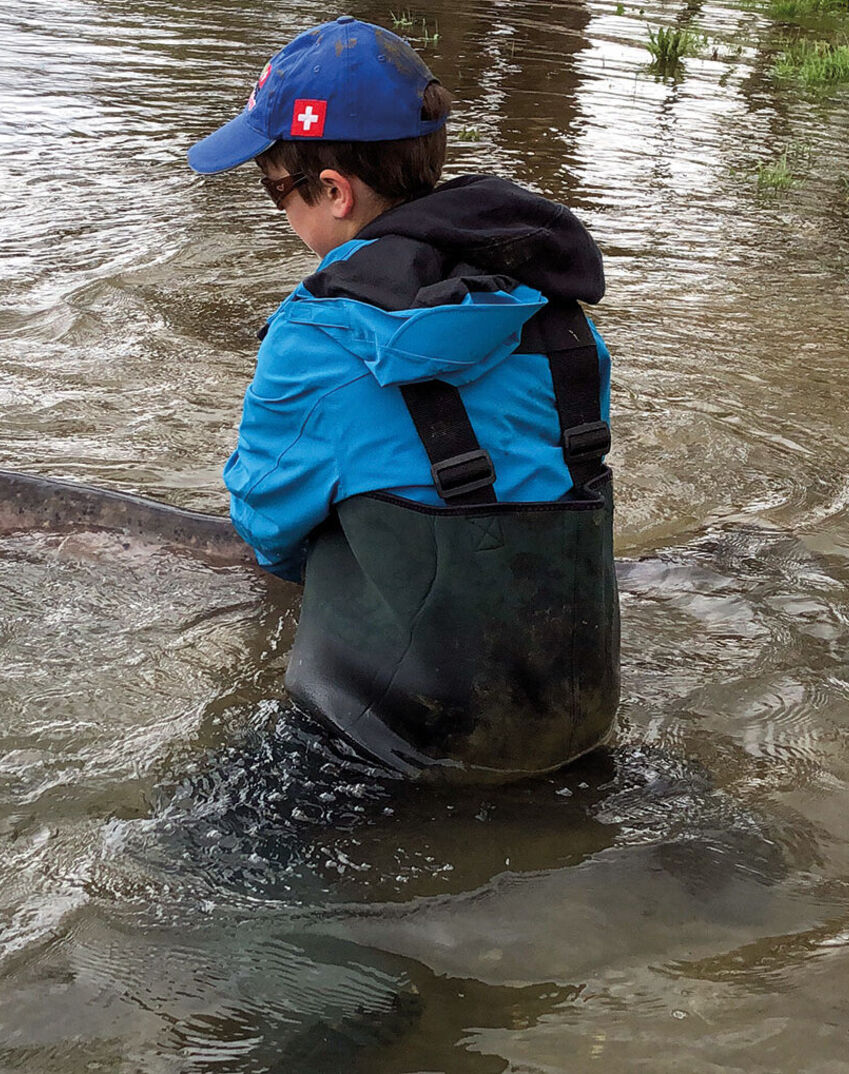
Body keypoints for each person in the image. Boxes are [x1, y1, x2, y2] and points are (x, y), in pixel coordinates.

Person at [187, 15, 619, 780]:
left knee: (167, 869)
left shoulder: (313, 338)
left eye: (273, 188)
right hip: (577, 724)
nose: (277, 209)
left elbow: (266, 529)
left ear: (333, 191)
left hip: (391, 744)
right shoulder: (561, 315)